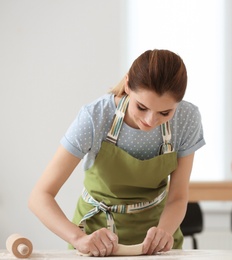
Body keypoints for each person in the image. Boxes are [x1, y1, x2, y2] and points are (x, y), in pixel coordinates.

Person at [28, 49, 205, 257]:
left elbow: (177, 196)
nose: (150, 121)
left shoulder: (187, 119)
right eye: (141, 107)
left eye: (165, 113)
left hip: (157, 239)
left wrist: (164, 232)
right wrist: (79, 238)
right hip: (95, 237)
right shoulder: (94, 117)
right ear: (128, 85)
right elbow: (39, 196)